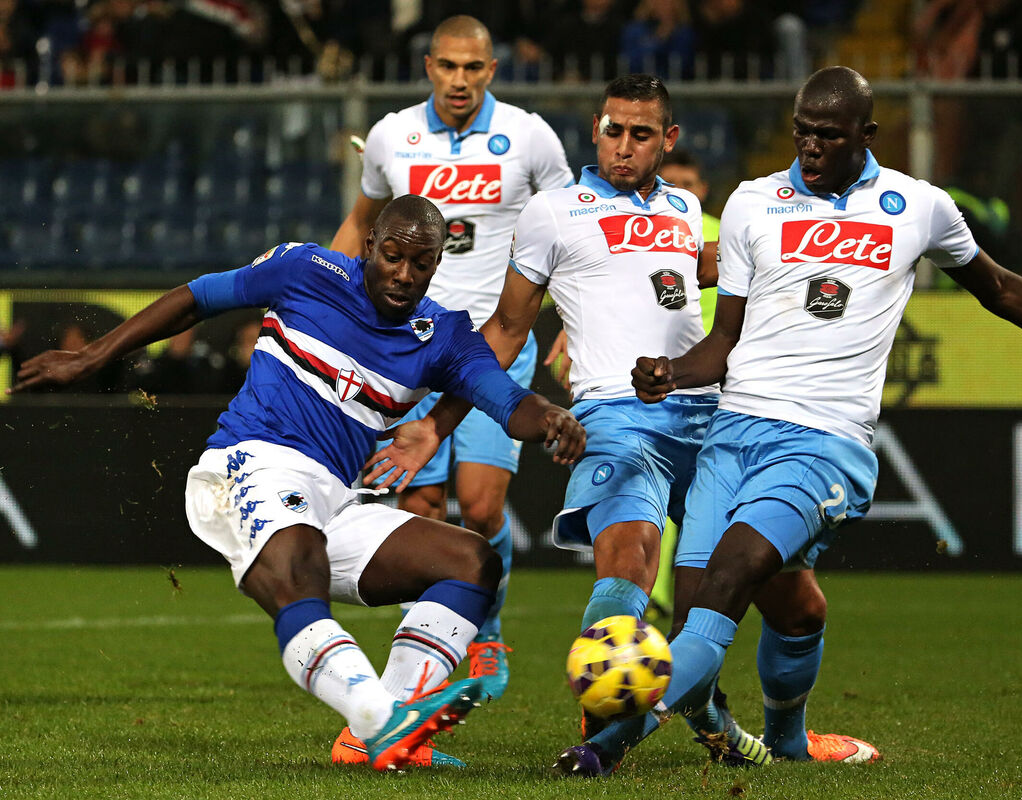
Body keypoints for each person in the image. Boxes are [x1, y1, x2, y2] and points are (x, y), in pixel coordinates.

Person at [557, 65, 1022, 777]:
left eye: (827, 134)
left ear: (866, 134)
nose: (810, 146)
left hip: (823, 442)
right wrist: (672, 374)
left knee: (729, 580)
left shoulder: (918, 206)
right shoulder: (753, 203)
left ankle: (602, 749)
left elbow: (1002, 289)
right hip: (731, 435)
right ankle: (788, 742)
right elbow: (723, 342)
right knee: (763, 609)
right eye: (802, 132)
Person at [9, 195, 586, 772]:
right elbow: (197, 298)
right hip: (250, 465)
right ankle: (379, 717)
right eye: (392, 256)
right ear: (369, 247)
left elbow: (509, 401)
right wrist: (92, 358)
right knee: (300, 561)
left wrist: (552, 419)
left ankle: (378, 736)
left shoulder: (443, 335)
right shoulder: (306, 270)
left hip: (334, 498)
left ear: (437, 264)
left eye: (420, 263)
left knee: (471, 563)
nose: (404, 274)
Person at [385, 74, 769, 765]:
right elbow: (504, 331)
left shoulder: (685, 208)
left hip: (708, 418)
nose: (624, 146)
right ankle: (603, 742)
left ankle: (718, 721)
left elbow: (687, 278)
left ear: (668, 140)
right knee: (626, 564)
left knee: (714, 600)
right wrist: (437, 424)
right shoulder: (553, 212)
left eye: (642, 134)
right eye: (613, 130)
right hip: (617, 418)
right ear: (596, 130)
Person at [330, 15, 573, 707]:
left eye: (473, 68)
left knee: (482, 504)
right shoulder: (391, 136)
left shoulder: (530, 137)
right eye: (448, 66)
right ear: (429, 66)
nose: (459, 80)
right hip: (409, 347)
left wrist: (572, 322)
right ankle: (425, 661)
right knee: (421, 504)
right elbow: (361, 222)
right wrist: (327, 298)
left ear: (491, 70)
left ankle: (486, 629)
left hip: (497, 344)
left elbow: (570, 229)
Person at [646, 147, 721, 621]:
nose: (681, 192)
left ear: (703, 189)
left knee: (697, 499)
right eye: (671, 184)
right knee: (665, 491)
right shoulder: (651, 232)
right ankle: (661, 595)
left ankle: (677, 600)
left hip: (718, 383)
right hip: (660, 378)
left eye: (688, 184)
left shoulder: (720, 234)